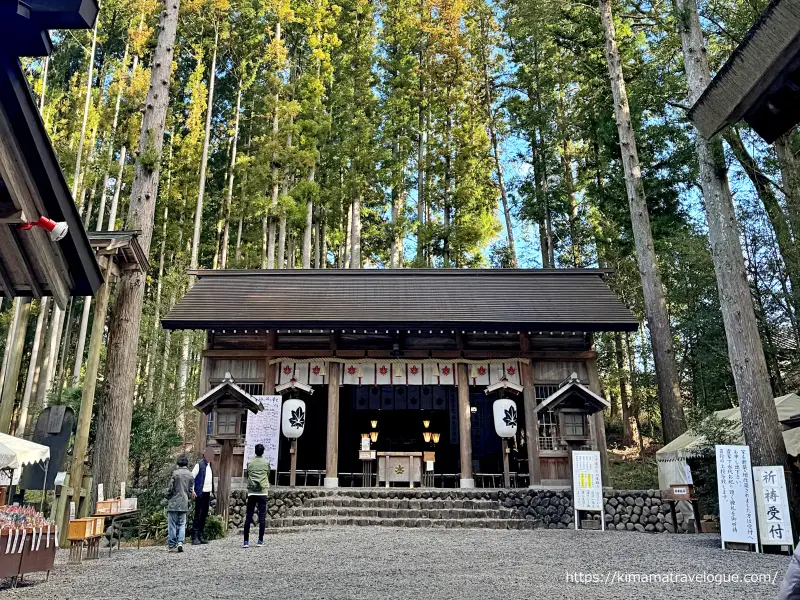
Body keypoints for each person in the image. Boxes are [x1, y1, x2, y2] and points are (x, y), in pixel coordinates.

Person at [243, 443, 270, 548]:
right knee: (262, 516)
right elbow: (268, 474)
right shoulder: (266, 463)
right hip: (262, 491)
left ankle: (246, 541)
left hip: (252, 491)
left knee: (248, 516)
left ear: (255, 451)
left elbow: (248, 474)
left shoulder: (250, 463)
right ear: (263, 452)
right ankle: (260, 540)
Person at [166, 455, 194, 553]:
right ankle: (180, 542)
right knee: (182, 524)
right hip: (184, 502)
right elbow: (191, 490)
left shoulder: (175, 474)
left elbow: (170, 488)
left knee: (172, 524)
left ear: (178, 463)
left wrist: (168, 496)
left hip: (174, 502)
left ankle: (172, 544)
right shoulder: (190, 475)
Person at [191, 448, 215, 545]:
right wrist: (192, 490)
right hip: (200, 492)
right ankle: (194, 536)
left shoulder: (210, 466)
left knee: (204, 514)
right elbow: (192, 477)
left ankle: (200, 534)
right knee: (198, 514)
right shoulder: (199, 465)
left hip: (207, 492)